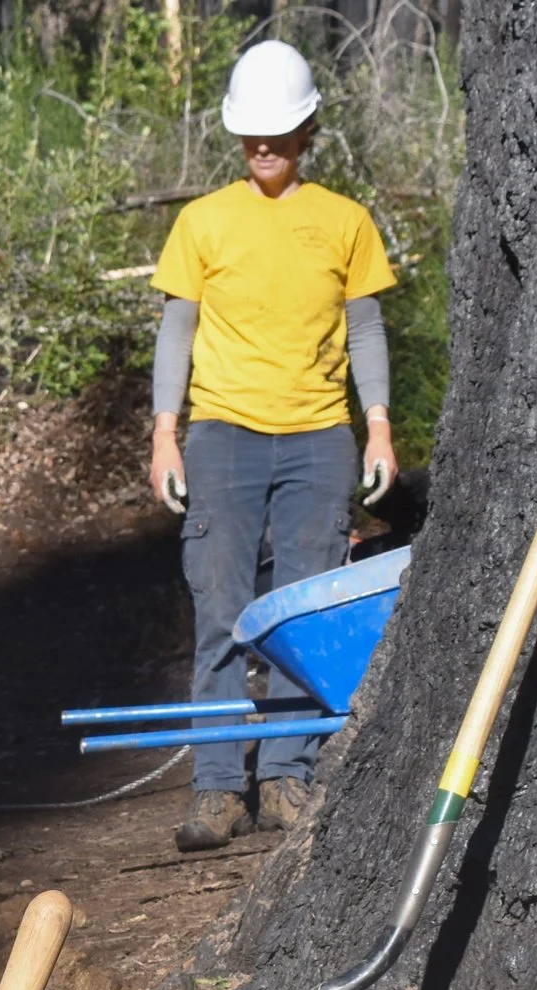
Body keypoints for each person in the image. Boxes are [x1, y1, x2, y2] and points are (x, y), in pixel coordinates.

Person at [148, 38, 399, 853]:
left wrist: (381, 425)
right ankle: (218, 787)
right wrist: (165, 437)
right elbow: (175, 334)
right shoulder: (203, 221)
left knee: (304, 611)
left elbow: (365, 328)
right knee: (220, 607)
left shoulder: (345, 222)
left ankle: (288, 774)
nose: (263, 149)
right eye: (251, 135)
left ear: (307, 132)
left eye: (279, 135)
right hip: (222, 435)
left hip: (321, 438)